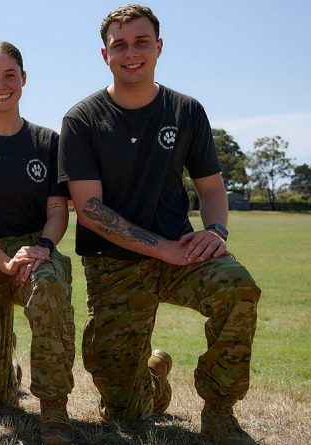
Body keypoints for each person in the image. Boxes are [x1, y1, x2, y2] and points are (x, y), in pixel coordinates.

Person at [58, 5, 260, 444]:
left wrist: (216, 232)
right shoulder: (82, 119)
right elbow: (90, 207)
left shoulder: (186, 110)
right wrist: (160, 248)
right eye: (120, 45)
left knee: (238, 287)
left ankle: (220, 413)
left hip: (181, 251)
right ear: (104, 53)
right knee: (124, 412)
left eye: (141, 42)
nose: (131, 53)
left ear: (159, 47)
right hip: (113, 265)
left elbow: (210, 188)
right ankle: (151, 375)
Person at [0, 41, 76, 445]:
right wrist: (4, 264)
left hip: (36, 248)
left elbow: (59, 210)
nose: (1, 84)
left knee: (51, 288)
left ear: (24, 79)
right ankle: (8, 373)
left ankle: (54, 409)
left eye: (9, 75)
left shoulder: (47, 141)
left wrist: (42, 246)